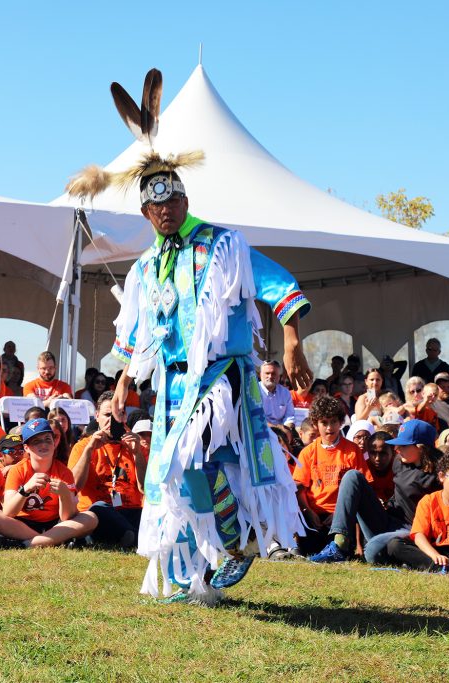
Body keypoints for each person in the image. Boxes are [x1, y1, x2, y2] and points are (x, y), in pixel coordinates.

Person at [73, 101, 311, 603]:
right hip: (172, 386)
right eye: (155, 208)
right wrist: (122, 379)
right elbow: (137, 333)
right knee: (174, 481)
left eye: (173, 203)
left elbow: (278, 285)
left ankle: (234, 542)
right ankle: (191, 578)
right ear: (145, 212)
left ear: (184, 199)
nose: (165, 213)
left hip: (220, 380)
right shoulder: (146, 266)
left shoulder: (224, 244)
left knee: (194, 464)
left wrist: (292, 342)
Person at [309, 419, 439, 564]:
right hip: (387, 521)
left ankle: (406, 556)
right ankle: (339, 544)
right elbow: (400, 494)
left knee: (371, 551)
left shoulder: (439, 474)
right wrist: (387, 503)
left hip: (412, 530)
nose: (397, 449)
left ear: (420, 447)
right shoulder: (399, 462)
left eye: (403, 445)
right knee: (352, 476)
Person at [0, 417, 97, 547]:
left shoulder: (64, 472)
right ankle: (51, 541)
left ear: (54, 442)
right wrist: (25, 489)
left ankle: (29, 543)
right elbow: (9, 512)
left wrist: (64, 494)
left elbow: (66, 517)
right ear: (26, 448)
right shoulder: (17, 470)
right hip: (23, 524)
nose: (43, 444)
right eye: (36, 441)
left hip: (56, 524)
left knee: (91, 517)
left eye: (47, 439)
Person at [68, 391, 147, 548]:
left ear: (124, 417)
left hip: (130, 510)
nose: (113, 420)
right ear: (97, 416)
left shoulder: (136, 445)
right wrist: (89, 451)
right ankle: (134, 537)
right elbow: (74, 487)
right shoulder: (83, 446)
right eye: (107, 415)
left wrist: (138, 454)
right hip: (97, 514)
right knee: (100, 507)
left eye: (118, 414)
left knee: (146, 514)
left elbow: (146, 488)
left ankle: (127, 536)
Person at [259, 360, 296, 432]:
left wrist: (287, 430)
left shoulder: (285, 392)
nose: (270, 376)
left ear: (279, 376)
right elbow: (256, 419)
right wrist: (278, 428)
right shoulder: (253, 391)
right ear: (260, 375)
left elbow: (289, 416)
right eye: (267, 373)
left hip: (282, 431)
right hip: (260, 430)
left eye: (273, 374)